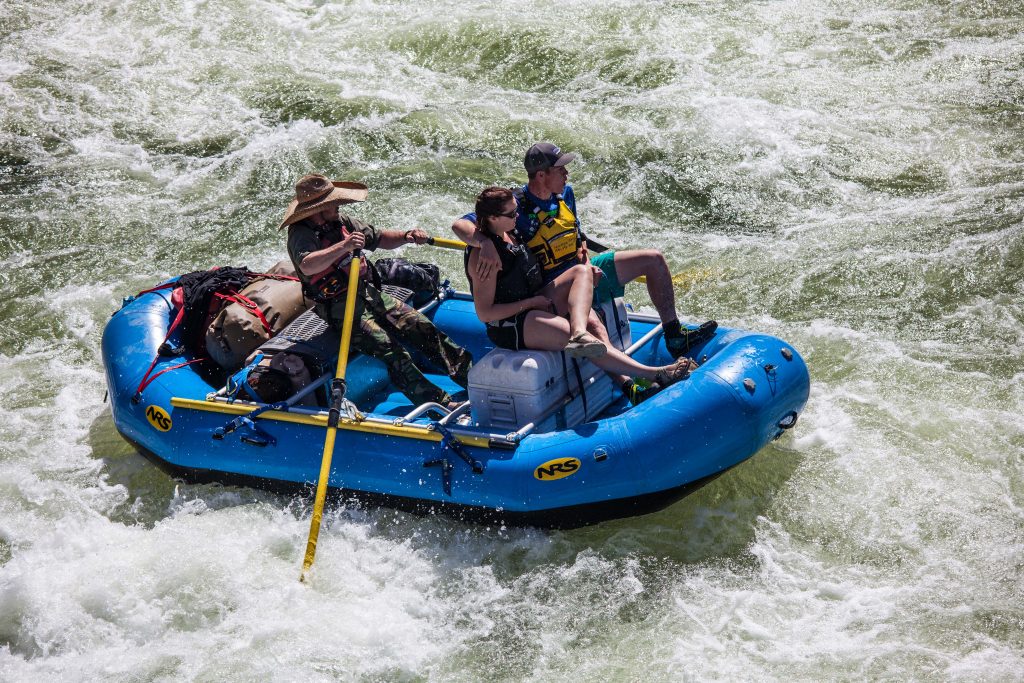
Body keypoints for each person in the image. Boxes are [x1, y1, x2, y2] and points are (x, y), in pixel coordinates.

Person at [452, 142, 717, 361]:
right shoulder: (516, 205)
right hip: (555, 286)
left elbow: (578, 239)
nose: (566, 173)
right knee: (594, 327)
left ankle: (674, 335)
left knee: (653, 260)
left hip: (583, 271)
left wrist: (588, 264)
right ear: (541, 175)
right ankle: (632, 383)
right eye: (560, 169)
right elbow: (460, 225)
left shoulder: (565, 194)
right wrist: (484, 243)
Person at [465, 186, 695, 392]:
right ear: (493, 218)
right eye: (512, 214)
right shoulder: (483, 258)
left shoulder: (510, 231)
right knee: (582, 344)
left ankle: (578, 330)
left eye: (517, 210)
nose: (517, 216)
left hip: (534, 301)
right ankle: (654, 374)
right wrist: (531, 303)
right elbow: (486, 313)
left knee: (582, 271)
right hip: (512, 323)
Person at [282, 174, 472, 409]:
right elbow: (307, 265)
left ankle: (470, 377)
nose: (339, 206)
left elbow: (379, 237)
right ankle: (439, 403)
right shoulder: (300, 234)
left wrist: (406, 236)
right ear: (317, 209)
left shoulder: (340, 221)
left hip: (368, 292)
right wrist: (345, 246)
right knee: (390, 350)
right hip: (341, 308)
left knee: (421, 326)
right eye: (333, 203)